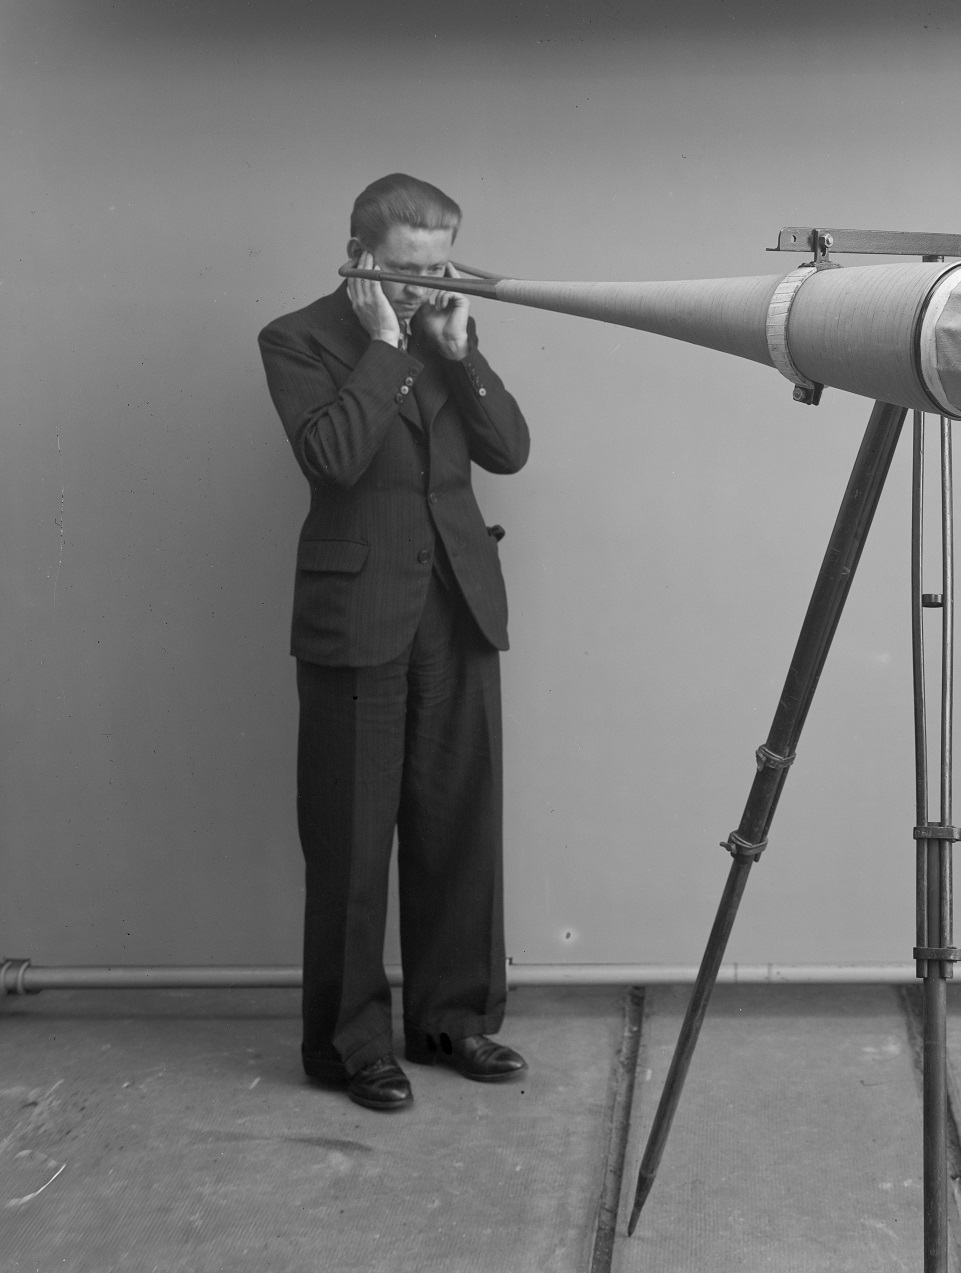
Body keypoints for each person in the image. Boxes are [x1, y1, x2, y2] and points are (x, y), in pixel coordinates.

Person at [258, 174, 530, 1111]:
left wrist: (463, 352)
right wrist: (383, 346)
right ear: (361, 256)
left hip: (456, 605)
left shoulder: (445, 329)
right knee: (351, 840)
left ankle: (455, 1019)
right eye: (410, 269)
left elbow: (509, 451)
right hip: (358, 614)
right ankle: (350, 1044)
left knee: (461, 825)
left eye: (441, 263)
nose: (427, 283)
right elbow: (332, 456)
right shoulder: (298, 338)